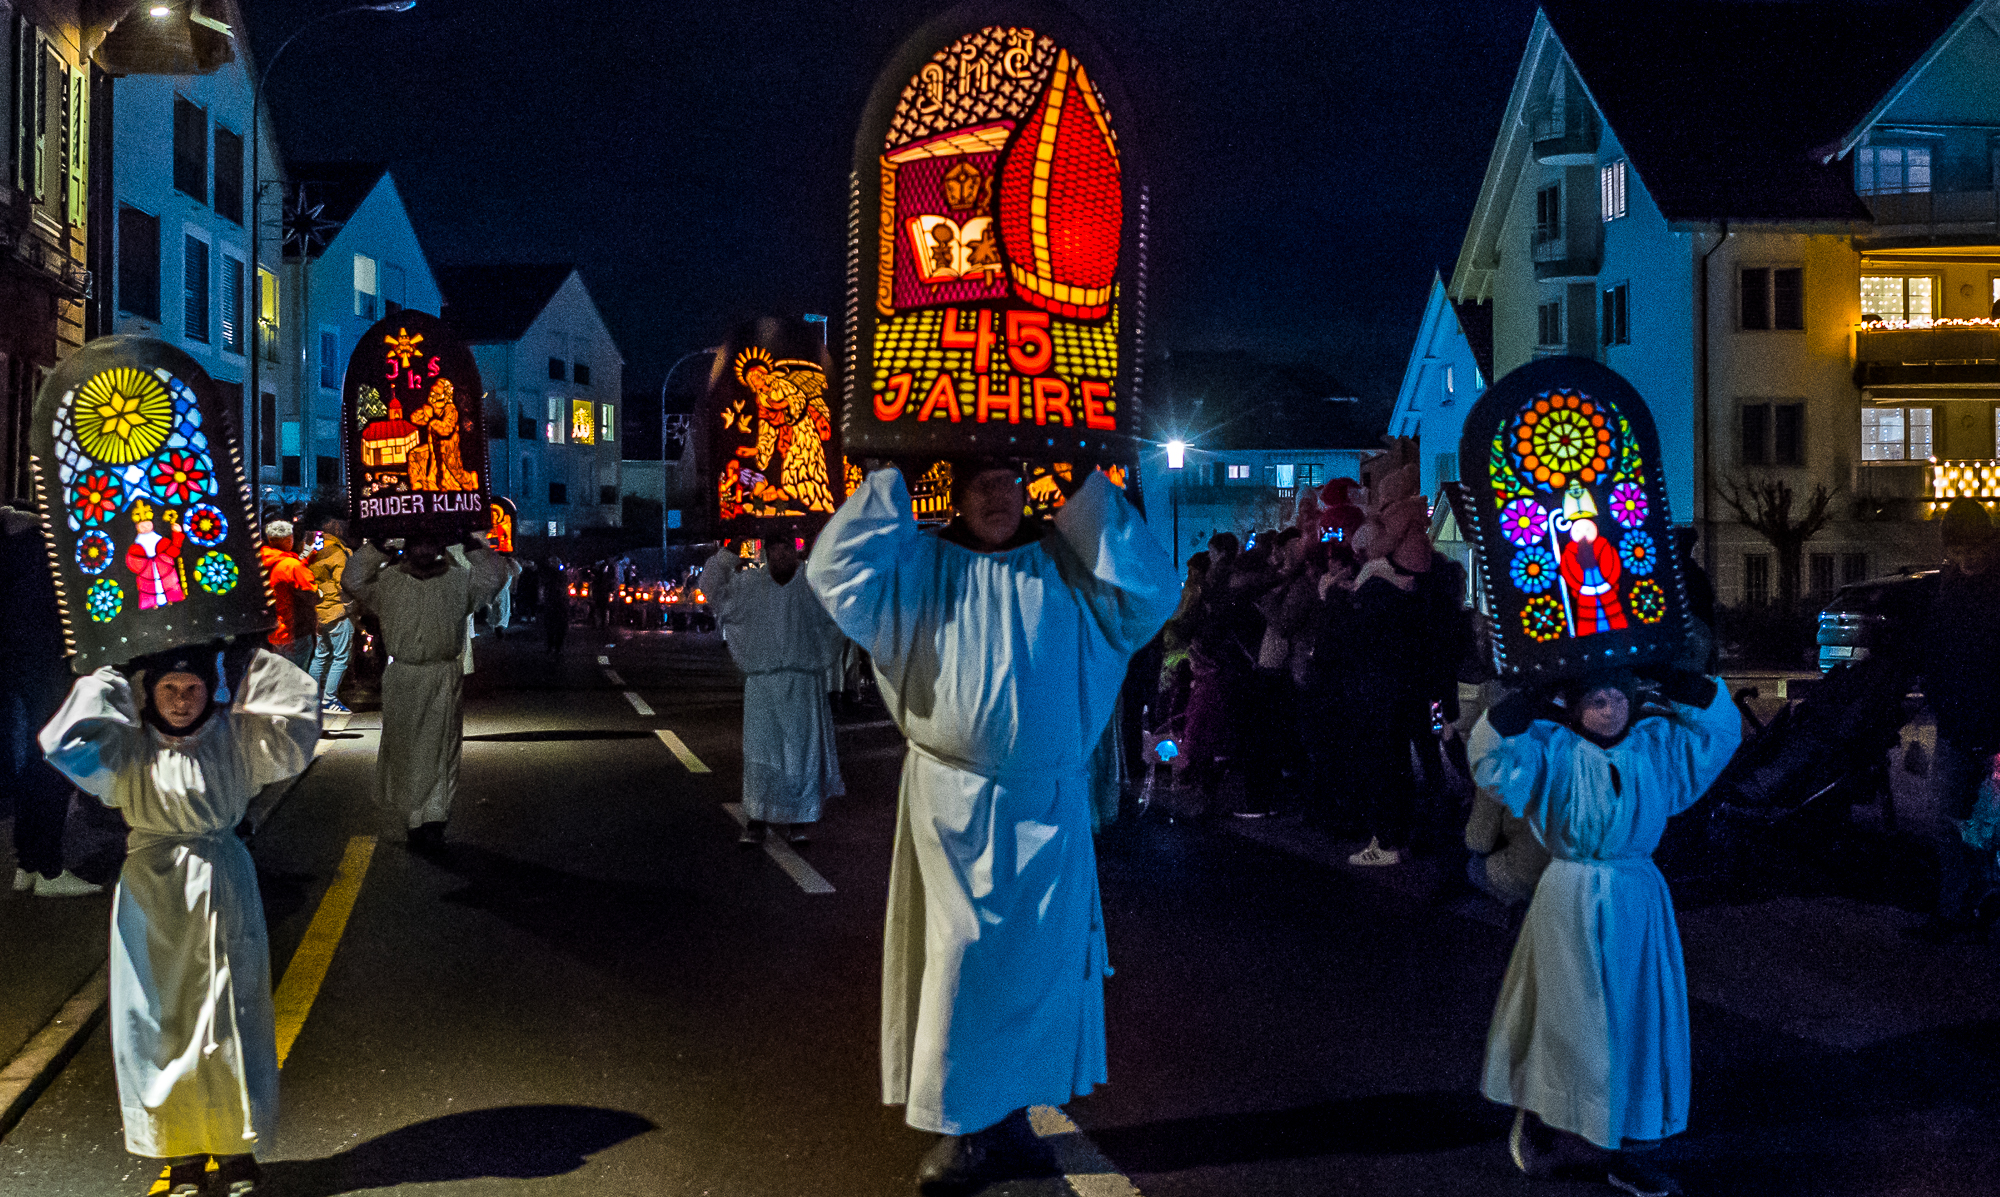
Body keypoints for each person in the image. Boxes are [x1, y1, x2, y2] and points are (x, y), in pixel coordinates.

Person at [808, 460, 1178, 1195]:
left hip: (1049, 805)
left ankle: (1007, 1122)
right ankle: (959, 1125)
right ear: (955, 485)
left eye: (1010, 480)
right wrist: (895, 477)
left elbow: (1155, 590)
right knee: (962, 963)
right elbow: (834, 569)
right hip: (953, 807)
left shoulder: (1069, 567)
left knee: (1038, 972)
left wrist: (1084, 491)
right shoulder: (919, 563)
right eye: (980, 481)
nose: (996, 495)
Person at [39, 643, 319, 1197]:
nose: (182, 700)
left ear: (208, 689)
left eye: (192, 689)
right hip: (152, 888)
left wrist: (249, 661)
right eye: (168, 688)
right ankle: (181, 1154)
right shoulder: (129, 745)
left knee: (229, 1014)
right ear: (149, 691)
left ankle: (237, 1150)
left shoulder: (235, 738)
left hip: (223, 880)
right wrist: (112, 679)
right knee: (157, 1020)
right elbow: (63, 743)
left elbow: (297, 721)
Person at [1472, 666, 1739, 1197]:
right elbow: (1492, 760)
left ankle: (1620, 1136)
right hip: (1570, 895)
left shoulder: (1656, 745)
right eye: (1596, 698)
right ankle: (1560, 1125)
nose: (1611, 708)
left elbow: (1716, 734)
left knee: (1632, 1017)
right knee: (1572, 1016)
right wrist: (1518, 705)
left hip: (1637, 898)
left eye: (1620, 696)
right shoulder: (1551, 748)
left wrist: (1688, 684)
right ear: (1573, 705)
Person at [342, 533, 510, 849]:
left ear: (439, 545)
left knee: (441, 748)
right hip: (402, 675)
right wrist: (377, 545)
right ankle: (412, 817)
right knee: (405, 749)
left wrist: (471, 542)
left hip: (442, 674)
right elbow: (352, 580)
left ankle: (434, 817)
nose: (423, 548)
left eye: (429, 541)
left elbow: (494, 578)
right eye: (417, 541)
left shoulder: (459, 580)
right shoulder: (388, 580)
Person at [702, 536, 845, 844]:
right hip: (763, 685)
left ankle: (799, 819)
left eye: (786, 549)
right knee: (761, 753)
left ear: (795, 551)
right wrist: (730, 551)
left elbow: (838, 609)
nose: (781, 555)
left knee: (801, 754)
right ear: (766, 552)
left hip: (804, 683)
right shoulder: (750, 583)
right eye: (775, 549)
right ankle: (757, 818)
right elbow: (713, 588)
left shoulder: (812, 584)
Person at [1911, 498, 2000, 943]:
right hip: (1957, 725)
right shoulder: (1950, 587)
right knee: (1948, 822)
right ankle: (1954, 911)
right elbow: (1938, 648)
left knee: (1989, 826)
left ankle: (1981, 907)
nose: (1967, 557)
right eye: (1958, 549)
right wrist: (1938, 696)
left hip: (1992, 728)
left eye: (1974, 547)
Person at [4, 504, 102, 896]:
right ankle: (46, 868)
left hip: (18, 664)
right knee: (56, 757)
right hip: (49, 663)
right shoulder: (45, 545)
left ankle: (26, 863)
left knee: (31, 757)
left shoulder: (12, 543)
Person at [306, 516, 357, 714]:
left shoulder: (312, 549)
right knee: (341, 657)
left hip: (317, 610)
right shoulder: (337, 552)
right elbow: (344, 582)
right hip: (336, 610)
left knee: (320, 655)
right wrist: (349, 607)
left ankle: (310, 698)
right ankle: (329, 699)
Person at [259, 521, 319, 670]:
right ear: (288, 539)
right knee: (297, 678)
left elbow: (288, 567)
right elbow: (312, 594)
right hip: (294, 634)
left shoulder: (260, 561)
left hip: (271, 632)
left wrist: (308, 552)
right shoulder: (291, 566)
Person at [542, 557, 571, 654]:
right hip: (559, 601)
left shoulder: (549, 574)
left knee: (551, 626)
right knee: (559, 626)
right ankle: (556, 647)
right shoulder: (560, 574)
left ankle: (552, 647)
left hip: (553, 601)